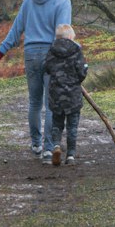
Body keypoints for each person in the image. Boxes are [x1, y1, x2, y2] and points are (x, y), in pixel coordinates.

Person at [0, 0, 71, 160]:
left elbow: (17, 29)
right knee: (51, 103)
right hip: (52, 54)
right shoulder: (63, 2)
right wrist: (69, 59)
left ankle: (36, 144)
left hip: (31, 53)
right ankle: (48, 147)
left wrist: (0, 51)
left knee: (34, 102)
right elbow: (63, 35)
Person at [44, 23, 88, 166]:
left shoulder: (51, 50)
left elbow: (47, 68)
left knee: (57, 124)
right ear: (71, 37)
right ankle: (70, 155)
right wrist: (78, 78)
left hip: (56, 95)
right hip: (73, 96)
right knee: (72, 126)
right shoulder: (76, 50)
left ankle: (56, 145)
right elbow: (81, 72)